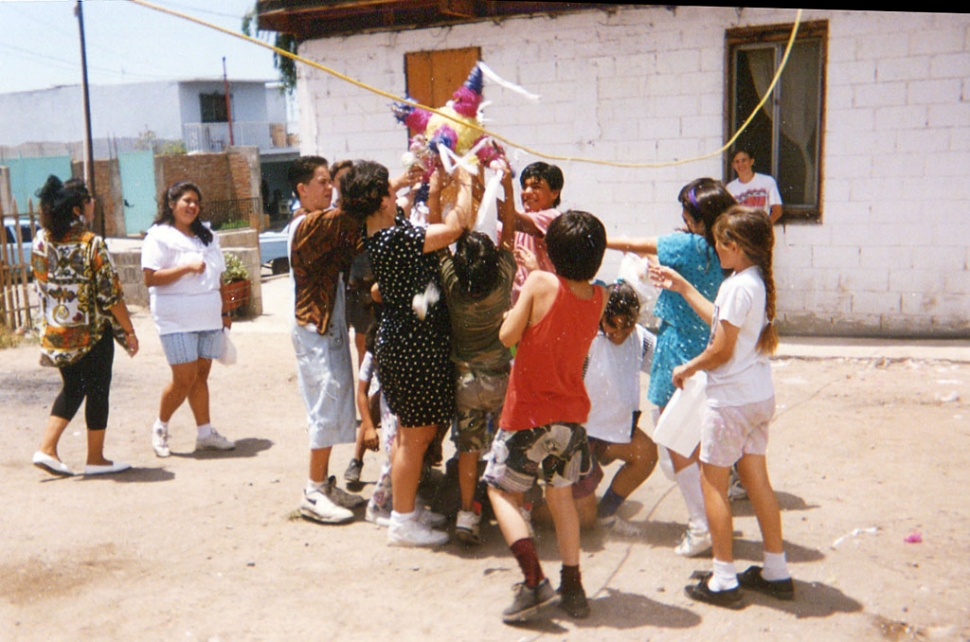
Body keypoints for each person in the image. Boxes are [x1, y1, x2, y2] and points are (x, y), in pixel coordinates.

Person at [651, 205, 792, 608]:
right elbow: (722, 322)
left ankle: (724, 577)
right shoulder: (755, 282)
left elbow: (720, 349)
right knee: (758, 483)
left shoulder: (735, 286)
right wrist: (683, 286)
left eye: (719, 244)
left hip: (729, 402)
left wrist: (688, 367)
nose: (715, 250)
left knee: (712, 485)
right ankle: (776, 570)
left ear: (734, 246)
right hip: (757, 398)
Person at [483, 210, 608, 623]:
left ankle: (535, 581)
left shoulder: (538, 284)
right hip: (570, 419)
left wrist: (522, 299)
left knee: (500, 491)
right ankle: (573, 587)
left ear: (551, 251)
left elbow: (507, 336)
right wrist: (542, 275)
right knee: (561, 499)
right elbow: (564, 303)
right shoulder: (600, 296)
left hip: (527, 414)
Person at [607, 178, 735, 558]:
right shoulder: (724, 248)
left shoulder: (687, 244)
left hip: (678, 347)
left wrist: (602, 239)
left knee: (675, 438)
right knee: (697, 440)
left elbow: (634, 245)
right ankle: (710, 515)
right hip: (711, 348)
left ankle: (700, 524)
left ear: (696, 218)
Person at [343, 160, 466, 547]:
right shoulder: (397, 240)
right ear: (380, 202)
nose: (396, 197)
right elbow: (454, 229)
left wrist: (401, 182)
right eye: (390, 194)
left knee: (406, 437)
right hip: (414, 344)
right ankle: (401, 520)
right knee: (415, 438)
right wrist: (464, 182)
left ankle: (405, 508)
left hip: (402, 339)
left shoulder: (377, 230)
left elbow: (388, 205)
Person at [30, 176, 138, 477]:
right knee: (98, 390)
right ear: (78, 209)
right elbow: (110, 295)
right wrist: (129, 331)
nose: (94, 204)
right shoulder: (92, 244)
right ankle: (95, 458)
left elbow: (40, 282)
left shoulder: (40, 242)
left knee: (74, 387)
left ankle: (48, 448)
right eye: (89, 200)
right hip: (92, 333)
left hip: (58, 331)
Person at [436, 162, 517, 545]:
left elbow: (441, 239)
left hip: (465, 379)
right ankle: (512, 508)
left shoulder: (452, 283)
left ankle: (467, 513)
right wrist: (508, 191)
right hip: (501, 376)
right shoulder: (502, 279)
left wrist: (440, 192)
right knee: (504, 447)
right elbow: (510, 236)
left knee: (468, 448)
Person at [287, 155, 368, 525]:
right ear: (302, 190)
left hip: (329, 325)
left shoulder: (322, 223)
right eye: (322, 182)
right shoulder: (306, 224)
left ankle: (323, 482)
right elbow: (342, 218)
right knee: (323, 405)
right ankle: (312, 491)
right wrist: (390, 186)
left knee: (336, 402)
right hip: (313, 327)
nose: (329, 187)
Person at [142, 181, 235, 457]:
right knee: (184, 377)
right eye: (186, 201)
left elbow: (220, 277)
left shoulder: (206, 236)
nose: (192, 206)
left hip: (208, 317)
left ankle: (205, 433)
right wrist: (185, 268)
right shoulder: (158, 236)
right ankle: (160, 427)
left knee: (201, 376)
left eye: (196, 201)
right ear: (171, 204)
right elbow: (150, 278)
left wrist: (226, 312)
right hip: (175, 319)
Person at [578, 282, 658, 534]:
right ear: (602, 317)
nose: (619, 334)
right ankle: (525, 510)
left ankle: (608, 513)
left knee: (647, 454)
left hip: (617, 433)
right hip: (580, 435)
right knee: (583, 519)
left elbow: (664, 364)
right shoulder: (586, 338)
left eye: (627, 326)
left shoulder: (640, 340)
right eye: (613, 326)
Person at [509, 162, 564, 302]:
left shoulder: (552, 218)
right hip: (520, 304)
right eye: (524, 187)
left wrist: (504, 185)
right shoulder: (521, 219)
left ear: (554, 193)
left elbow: (510, 218)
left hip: (545, 302)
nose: (526, 192)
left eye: (536, 187)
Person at [726, 149, 783, 224]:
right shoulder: (729, 188)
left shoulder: (767, 181)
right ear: (733, 165)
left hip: (761, 230)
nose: (741, 164)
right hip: (742, 231)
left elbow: (777, 210)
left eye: (744, 160)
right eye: (737, 161)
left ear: (751, 161)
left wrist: (765, 227)